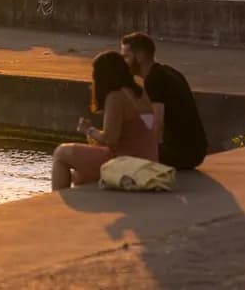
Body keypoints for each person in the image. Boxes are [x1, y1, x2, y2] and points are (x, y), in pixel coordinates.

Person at [51, 51, 158, 190]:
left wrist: (88, 129)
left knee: (60, 153)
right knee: (79, 175)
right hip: (147, 158)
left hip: (128, 161)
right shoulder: (138, 91)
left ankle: (56, 200)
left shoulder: (116, 97)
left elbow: (110, 139)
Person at [120, 33, 207, 171]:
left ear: (140, 56)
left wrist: (149, 159)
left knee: (121, 153)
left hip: (180, 153)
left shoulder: (154, 80)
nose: (123, 62)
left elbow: (157, 123)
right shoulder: (169, 72)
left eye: (126, 56)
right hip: (196, 151)